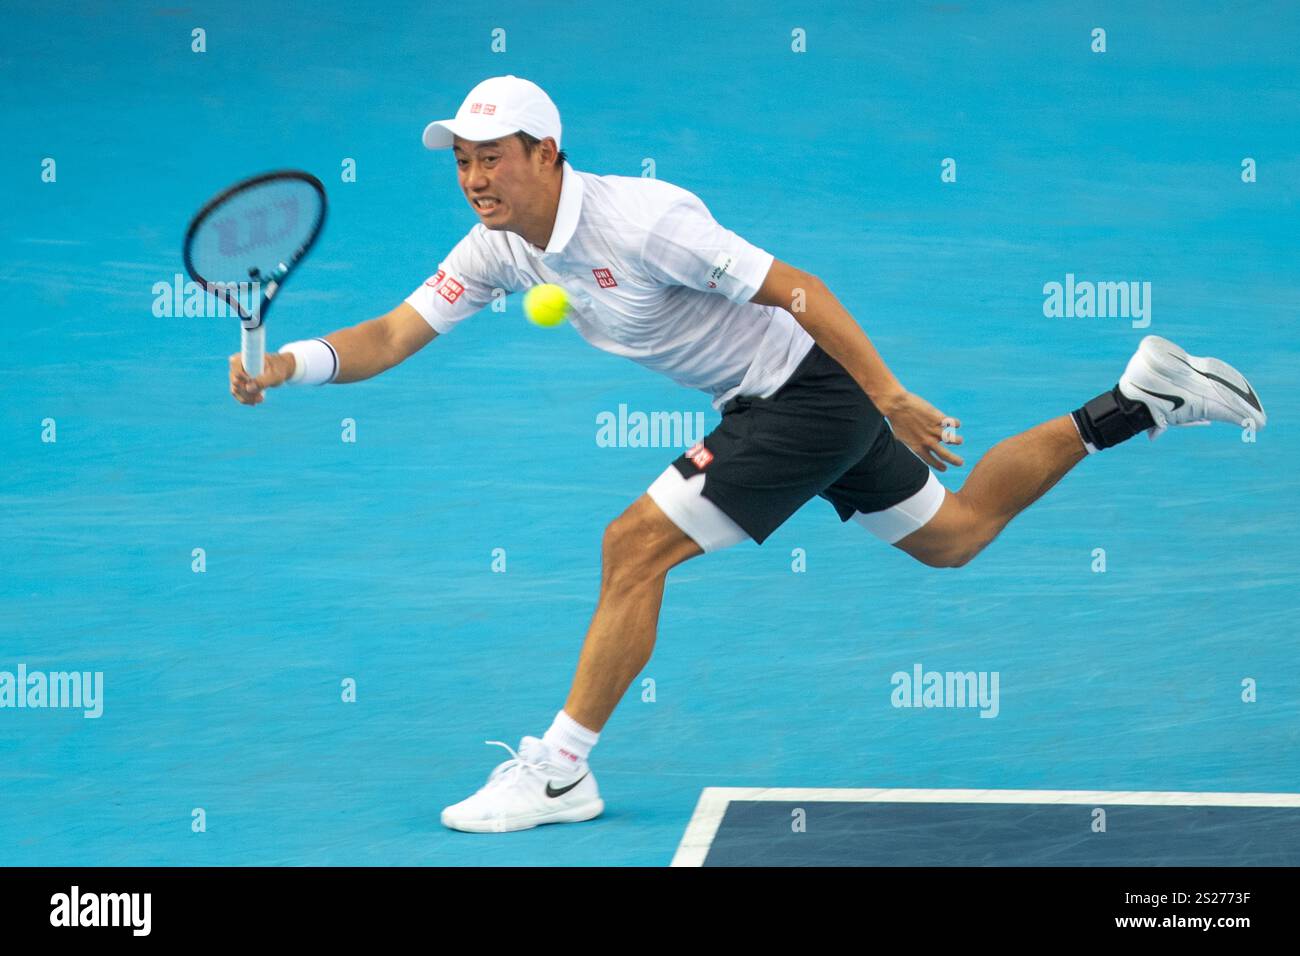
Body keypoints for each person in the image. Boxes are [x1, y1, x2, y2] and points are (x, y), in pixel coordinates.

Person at [228, 75, 1267, 833]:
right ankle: (1134, 403)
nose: (471, 176)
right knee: (953, 536)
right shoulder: (500, 247)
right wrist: (290, 364)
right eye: (459, 158)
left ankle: (560, 769)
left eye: (489, 156)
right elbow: (397, 333)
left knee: (633, 544)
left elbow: (797, 287)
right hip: (780, 399)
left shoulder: (646, 220)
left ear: (547, 152)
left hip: (807, 391)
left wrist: (887, 390)